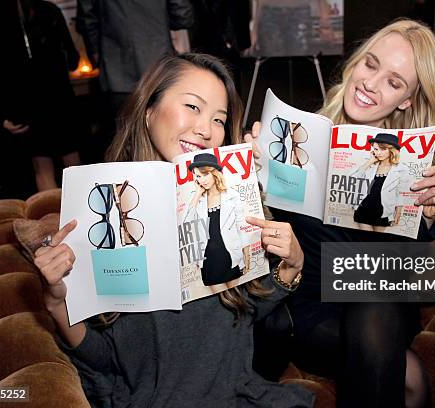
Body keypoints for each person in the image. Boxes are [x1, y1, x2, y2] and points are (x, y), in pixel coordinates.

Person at [34, 53, 314, 407]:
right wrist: (57, 304)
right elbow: (108, 358)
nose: (206, 129)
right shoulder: (105, 210)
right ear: (149, 109)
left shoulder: (230, 196)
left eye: (218, 119)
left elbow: (240, 319)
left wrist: (291, 267)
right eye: (192, 107)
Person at [245, 19, 435, 407]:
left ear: (407, 99)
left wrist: (426, 218)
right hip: (307, 300)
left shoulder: (414, 159)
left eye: (394, 82)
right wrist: (254, 174)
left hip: (377, 302)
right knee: (409, 379)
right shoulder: (302, 135)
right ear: (356, 62)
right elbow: (260, 237)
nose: (371, 84)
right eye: (370, 64)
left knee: (377, 300)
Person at [0, 0, 82, 192]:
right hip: (57, 99)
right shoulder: (47, 9)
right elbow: (73, 60)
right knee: (75, 167)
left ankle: (52, 221)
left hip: (21, 105)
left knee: (42, 170)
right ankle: (85, 218)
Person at [76, 0, 194, 153]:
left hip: (116, 69)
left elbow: (86, 21)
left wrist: (97, 55)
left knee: (126, 146)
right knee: (168, 141)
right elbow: (183, 16)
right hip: (158, 64)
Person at [184, 153, 251, 286]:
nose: (202, 180)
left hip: (229, 255)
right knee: (214, 301)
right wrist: (197, 194)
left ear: (214, 173)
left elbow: (241, 227)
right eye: (198, 176)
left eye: (205, 174)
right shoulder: (197, 199)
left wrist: (247, 255)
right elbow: (188, 225)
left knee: (236, 294)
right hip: (208, 259)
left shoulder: (232, 196)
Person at [350, 133, 408, 231]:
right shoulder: (369, 165)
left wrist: (398, 213)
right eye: (376, 149)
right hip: (364, 209)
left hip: (383, 212)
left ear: (392, 150)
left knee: (377, 242)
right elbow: (352, 179)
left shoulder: (401, 169)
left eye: (383, 149)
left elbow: (400, 193)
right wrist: (370, 162)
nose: (378, 153)